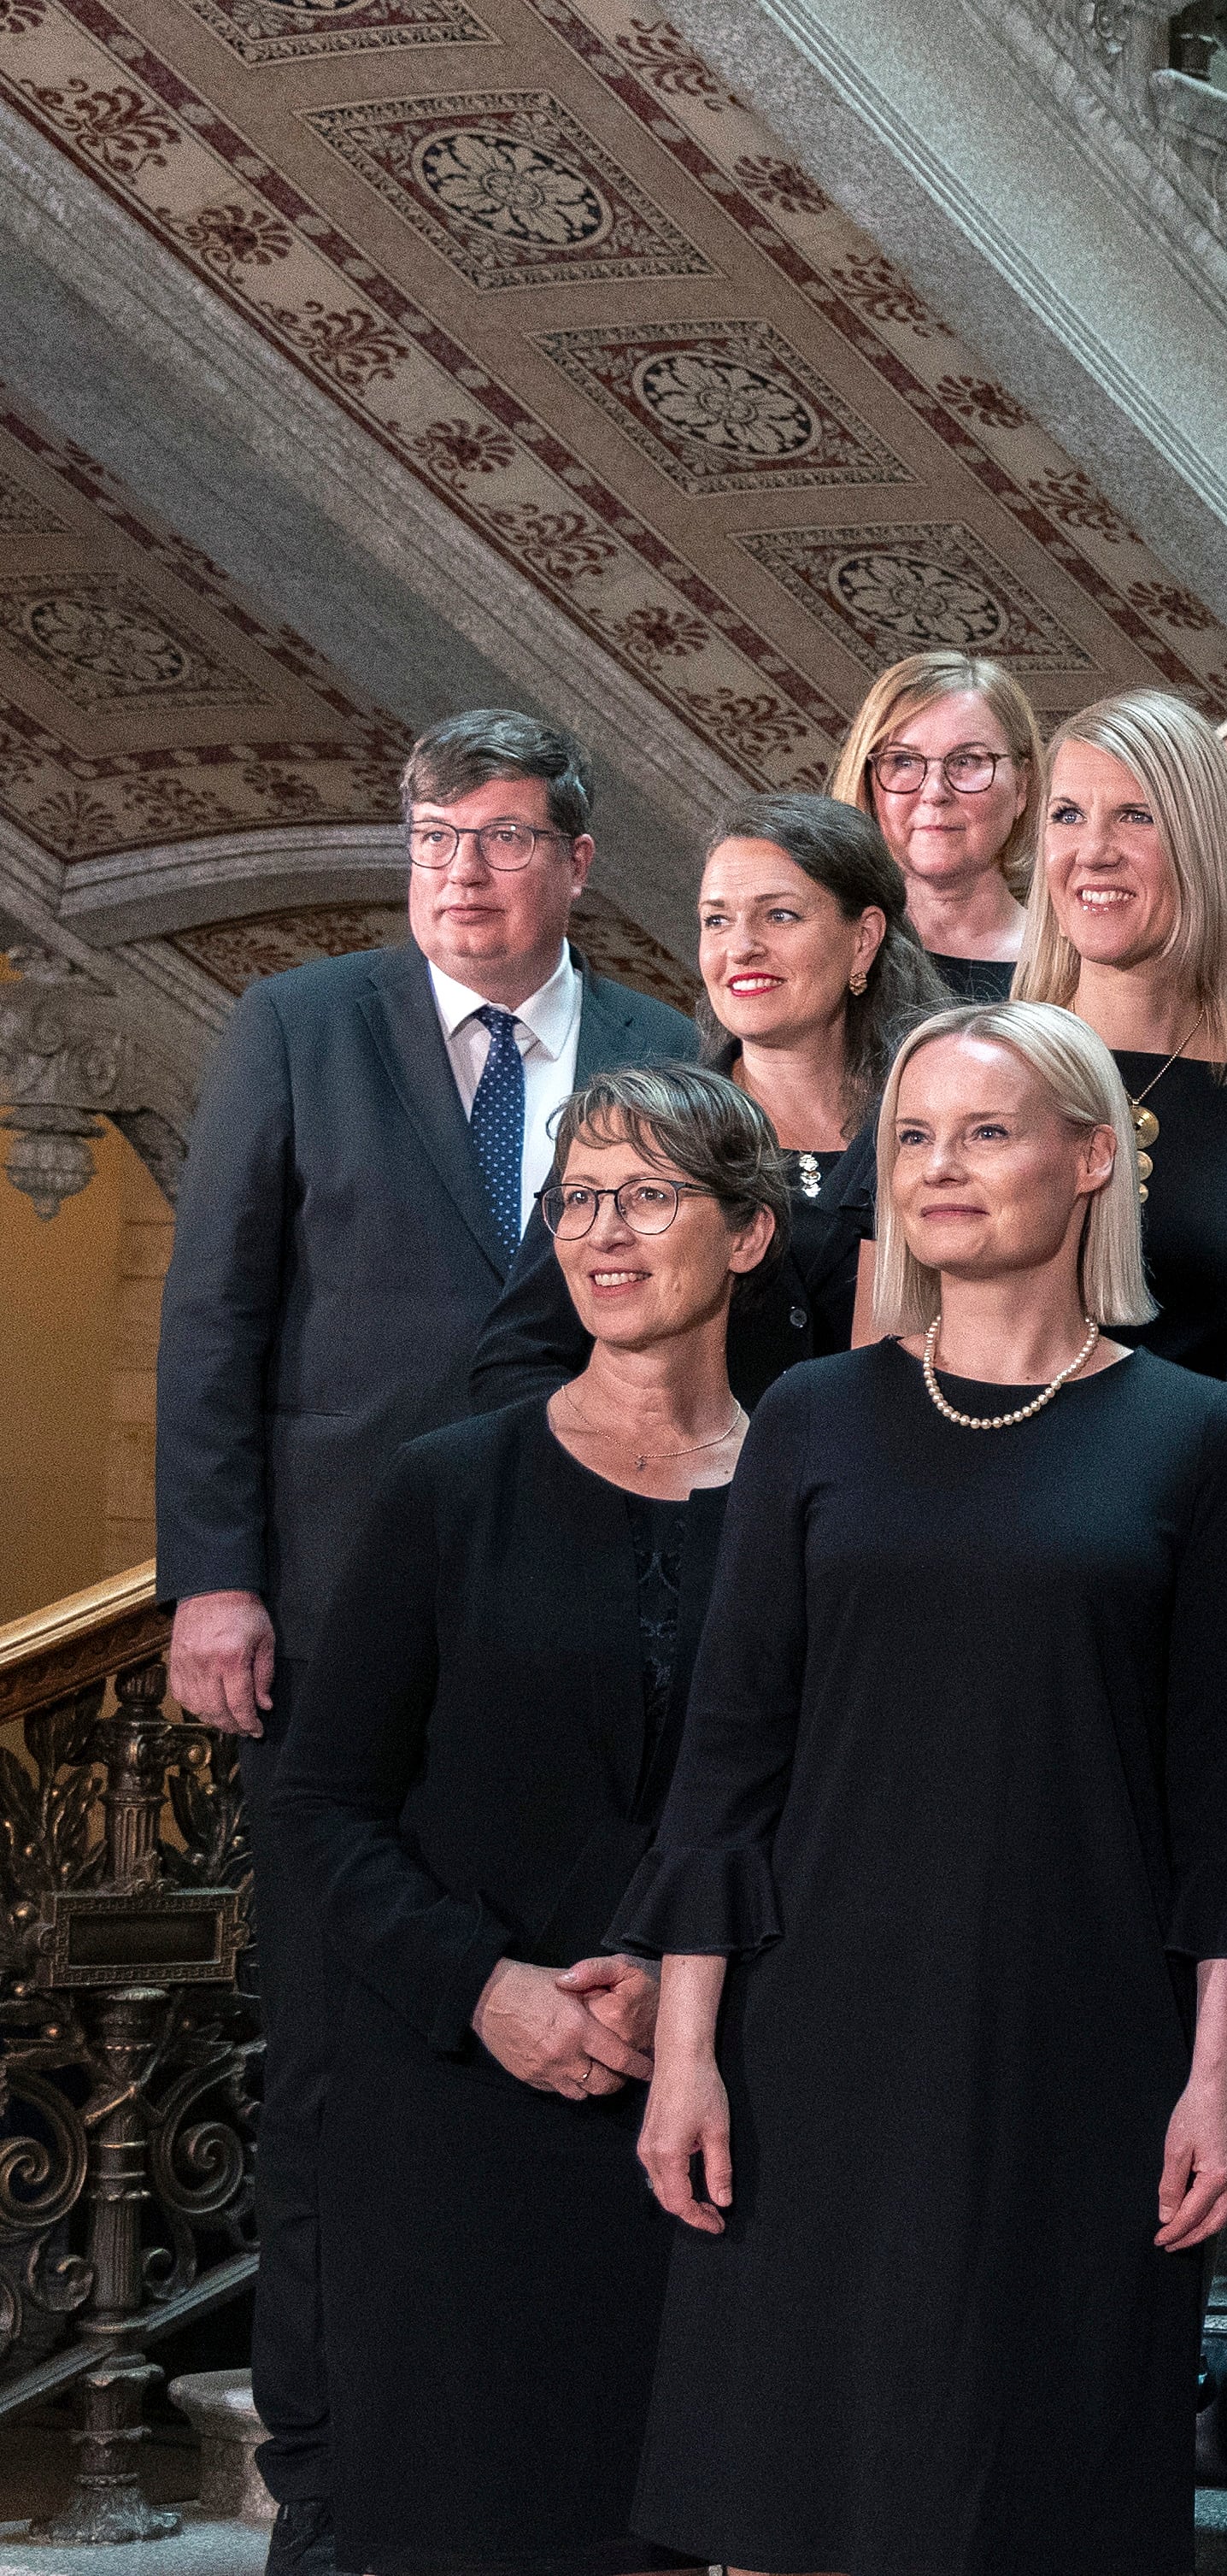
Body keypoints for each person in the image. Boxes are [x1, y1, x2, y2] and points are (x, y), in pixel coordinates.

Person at [621, 1001, 1227, 2576]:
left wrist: (1217, 2070)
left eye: (986, 1131)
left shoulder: (1196, 1433)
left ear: (1092, 1155)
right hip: (814, 2032)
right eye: (913, 1136)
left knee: (1035, 2487)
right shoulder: (814, 1417)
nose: (940, 1167)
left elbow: (1223, 1798)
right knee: (788, 2495)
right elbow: (731, 1751)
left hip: (1081, 2041)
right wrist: (686, 2048)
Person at [153, 708, 693, 2574]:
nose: (464, 869)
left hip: (580, 1628)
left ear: (577, 865)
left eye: (504, 838)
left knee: (571, 2023)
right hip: (332, 1622)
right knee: (333, 2058)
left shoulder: (659, 1049)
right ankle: (327, 2458)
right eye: (435, 837)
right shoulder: (297, 1030)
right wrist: (211, 1574)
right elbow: (217, 1317)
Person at [265, 1064, 772, 2576]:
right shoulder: (448, 1481)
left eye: (651, 1194)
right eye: (580, 1199)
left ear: (747, 1234)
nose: (606, 1232)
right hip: (458, 2119)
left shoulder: (814, 1494)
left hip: (715, 2115)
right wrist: (484, 1986)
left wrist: (672, 1985)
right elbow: (324, 1800)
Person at [467, 791, 952, 1409]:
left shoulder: (940, 1134)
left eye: (779, 916)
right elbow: (518, 1366)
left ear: (864, 939)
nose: (740, 946)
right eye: (717, 920)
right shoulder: (632, 1130)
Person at [1019, 686, 1227, 1379]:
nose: (1093, 851)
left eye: (1136, 816)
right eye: (1067, 815)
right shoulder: (979, 1063)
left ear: (1205, 842)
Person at [830, 649, 1047, 1001]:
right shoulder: (825, 951)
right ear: (868, 784)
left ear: (1022, 786)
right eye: (902, 761)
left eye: (967, 760)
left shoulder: (1077, 964)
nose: (934, 792)